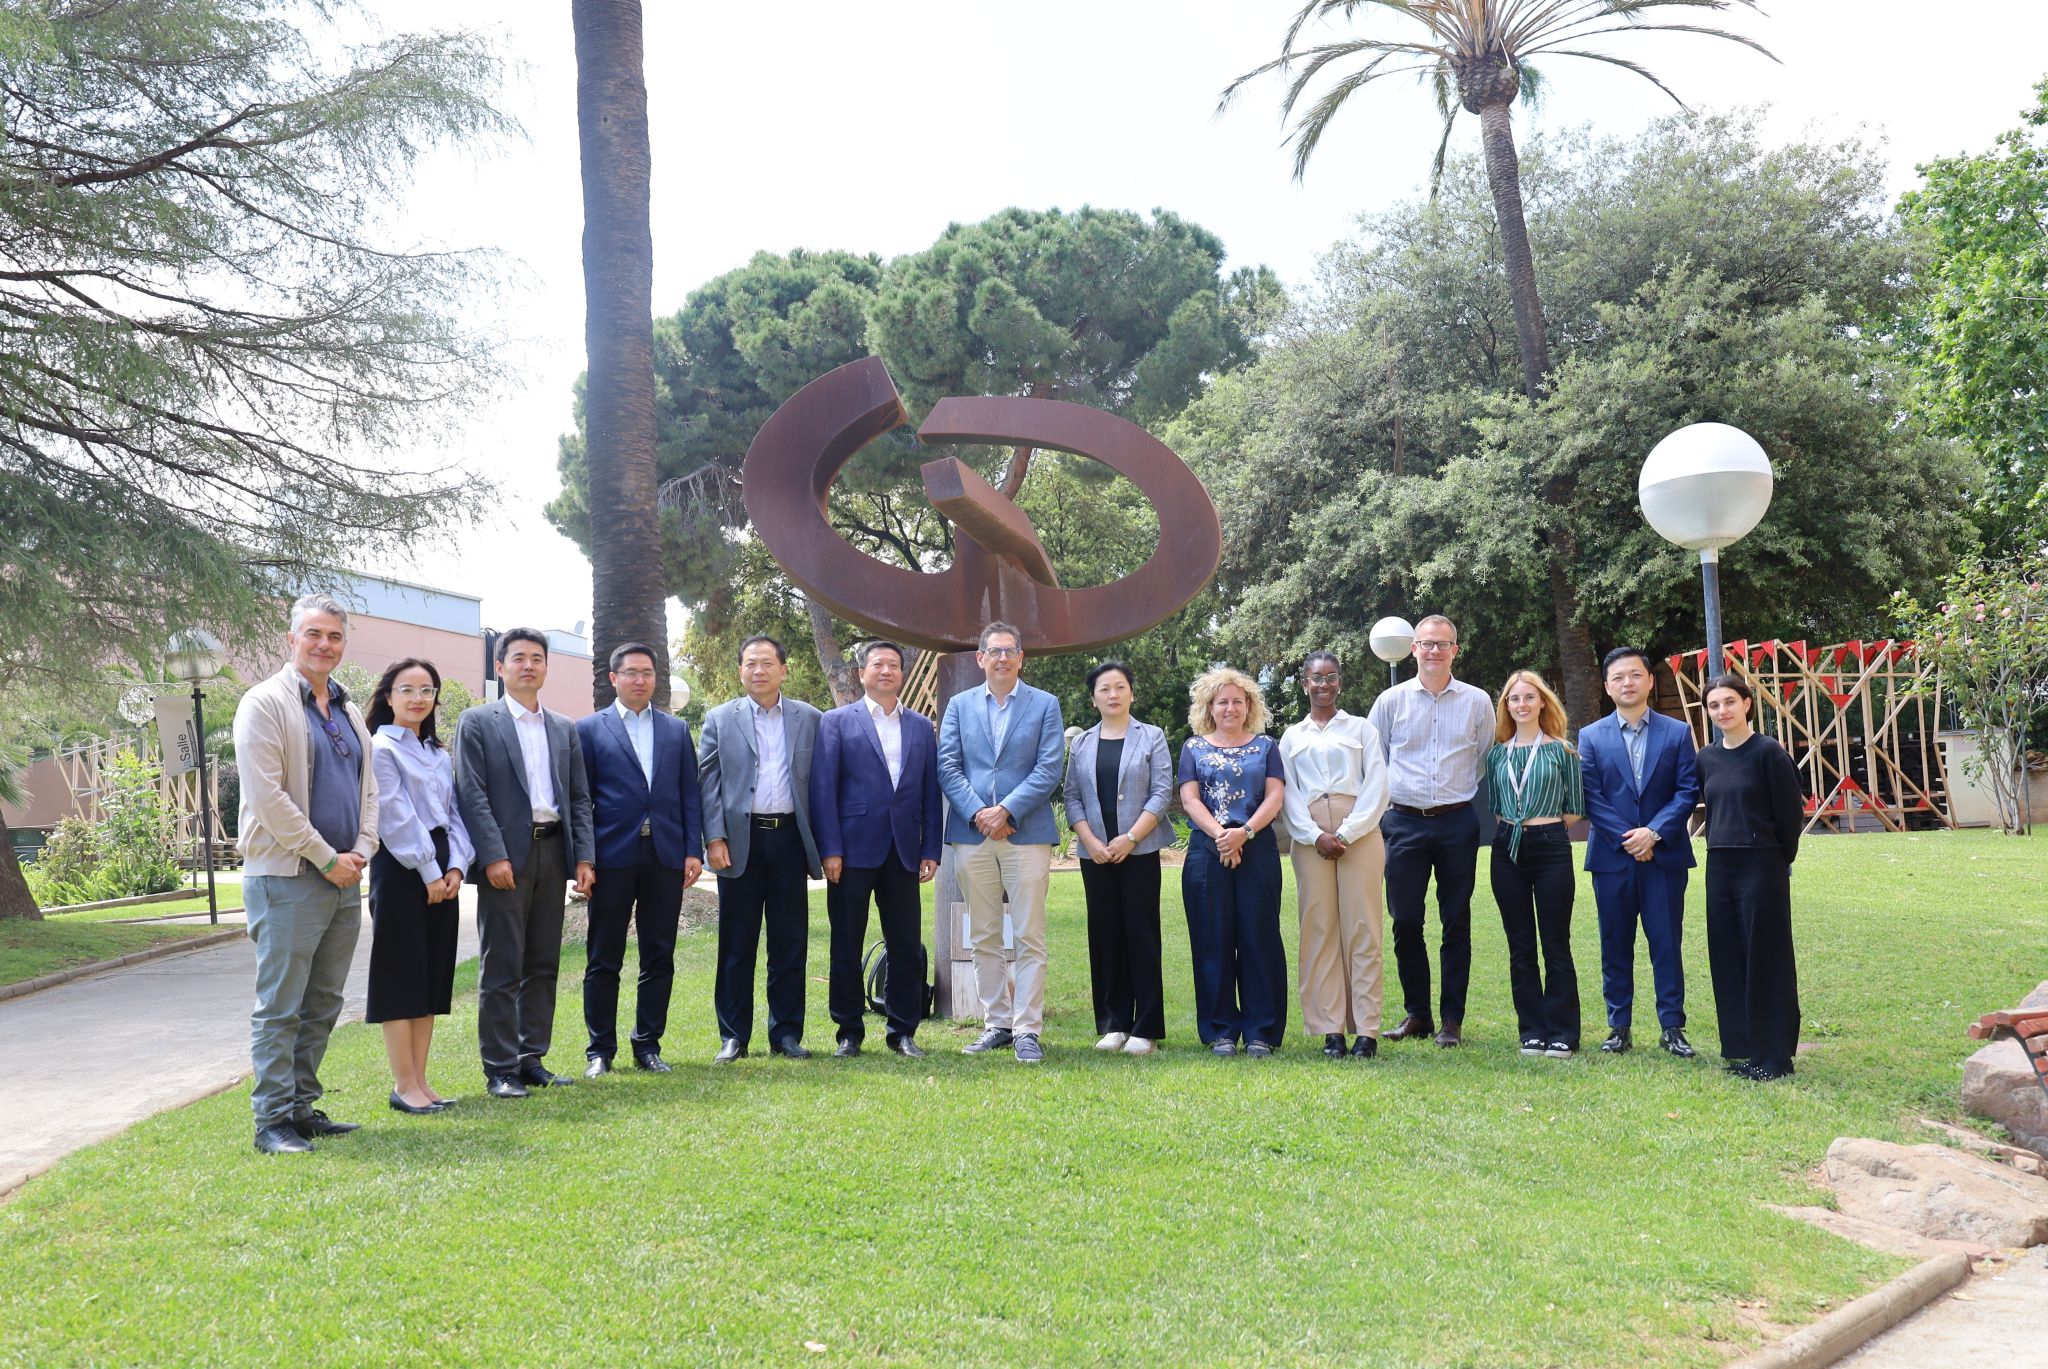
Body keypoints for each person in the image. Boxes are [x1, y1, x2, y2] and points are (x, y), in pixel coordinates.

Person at [233, 592, 379, 1154]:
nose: (324, 644)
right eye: (314, 634)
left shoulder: (348, 710)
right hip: (289, 876)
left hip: (344, 875)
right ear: (291, 639)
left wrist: (361, 849)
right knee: (281, 1005)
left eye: (335, 636)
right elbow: (268, 797)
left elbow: (370, 790)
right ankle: (271, 1121)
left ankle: (301, 1107)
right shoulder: (264, 703)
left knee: (322, 1003)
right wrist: (325, 857)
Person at [453, 627, 595, 1099]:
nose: (528, 665)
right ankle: (500, 1068)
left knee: (543, 961)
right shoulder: (478, 722)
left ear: (547, 666)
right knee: (502, 964)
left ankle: (531, 1057)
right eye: (518, 658)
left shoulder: (563, 727)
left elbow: (578, 798)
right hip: (506, 859)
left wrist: (584, 858)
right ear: (500, 667)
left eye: (537, 658)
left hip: (553, 853)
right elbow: (471, 794)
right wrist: (492, 855)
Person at [939, 621, 1066, 1064]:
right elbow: (947, 765)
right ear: (980, 658)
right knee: (984, 933)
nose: (1002, 658)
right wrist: (981, 813)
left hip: (1026, 834)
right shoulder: (958, 706)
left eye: (1010, 651)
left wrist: (1007, 811)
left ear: (1021, 658)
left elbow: (1049, 768)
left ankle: (1027, 1028)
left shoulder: (1045, 704)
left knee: (1030, 934)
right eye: (994, 651)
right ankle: (998, 1022)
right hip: (971, 833)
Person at [574, 641, 703, 1077]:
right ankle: (600, 1051)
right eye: (631, 672)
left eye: (647, 672)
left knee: (659, 954)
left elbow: (689, 794)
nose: (640, 680)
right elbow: (581, 800)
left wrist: (692, 849)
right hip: (611, 856)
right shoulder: (590, 730)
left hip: (665, 855)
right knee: (603, 956)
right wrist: (584, 858)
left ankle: (647, 1044)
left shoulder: (675, 730)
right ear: (614, 678)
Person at [1366, 613, 1494, 1047]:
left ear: (1454, 650)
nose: (1434, 650)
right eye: (1427, 643)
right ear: (1414, 649)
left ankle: (1451, 1021)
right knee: (1405, 920)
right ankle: (1417, 1014)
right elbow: (1376, 757)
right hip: (1403, 822)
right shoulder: (1390, 701)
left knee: (1456, 920)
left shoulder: (1477, 701)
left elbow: (1482, 758)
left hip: (1457, 821)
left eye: (1443, 644)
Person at [809, 640, 942, 1057]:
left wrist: (930, 848)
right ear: (861, 673)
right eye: (878, 664)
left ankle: (902, 1032)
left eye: (894, 665)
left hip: (903, 852)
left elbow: (929, 792)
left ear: (902, 673)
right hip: (850, 852)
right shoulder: (835, 722)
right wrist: (830, 848)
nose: (886, 671)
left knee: (905, 946)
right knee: (846, 945)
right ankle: (849, 1032)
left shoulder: (920, 727)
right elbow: (823, 790)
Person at [698, 635, 823, 1061]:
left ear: (783, 670)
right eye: (750, 663)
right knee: (737, 944)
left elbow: (821, 782)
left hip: (789, 840)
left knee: (789, 942)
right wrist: (714, 837)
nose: (759, 670)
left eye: (767, 662)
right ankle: (733, 1036)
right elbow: (707, 784)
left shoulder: (810, 718)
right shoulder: (720, 719)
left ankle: (785, 1034)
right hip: (739, 843)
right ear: (740, 671)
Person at [1579, 646, 1701, 1059]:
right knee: (1614, 943)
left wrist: (1653, 833)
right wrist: (1629, 839)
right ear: (1607, 687)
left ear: (1649, 680)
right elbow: (1592, 797)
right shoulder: (1591, 736)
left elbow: (1687, 790)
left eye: (1635, 675)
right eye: (1618, 677)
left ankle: (1672, 1027)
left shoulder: (1677, 732)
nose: (1627, 683)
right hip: (1612, 860)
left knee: (1666, 943)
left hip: (1664, 858)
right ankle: (1619, 1026)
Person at [365, 657, 474, 1114]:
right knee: (400, 977)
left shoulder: (438, 754)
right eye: (407, 690)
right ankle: (403, 1084)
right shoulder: (380, 748)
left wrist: (457, 868)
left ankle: (421, 1081)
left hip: (442, 866)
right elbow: (395, 816)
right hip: (401, 867)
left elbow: (454, 816)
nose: (417, 698)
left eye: (427, 690)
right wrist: (430, 872)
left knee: (431, 978)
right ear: (388, 696)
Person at [1279, 651, 1391, 1061]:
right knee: (1319, 929)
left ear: (1339, 682)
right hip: (1310, 836)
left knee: (1363, 928)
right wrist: (1314, 836)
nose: (1323, 684)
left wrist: (1345, 832)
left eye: (1330, 677)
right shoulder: (1292, 737)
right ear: (1304, 683)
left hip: (1358, 831)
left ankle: (1367, 1030)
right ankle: (1331, 1029)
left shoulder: (1362, 728)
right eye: (1316, 677)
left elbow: (1377, 785)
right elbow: (1287, 792)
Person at [1062, 660, 1173, 1055]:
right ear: (1094, 699)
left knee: (1142, 935)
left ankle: (1146, 1029)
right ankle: (1114, 1024)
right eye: (1104, 689)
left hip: (1139, 850)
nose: (1113, 694)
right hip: (1095, 855)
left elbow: (1162, 792)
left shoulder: (1151, 736)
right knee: (1105, 935)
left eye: (1120, 687)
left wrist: (1130, 837)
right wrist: (1090, 841)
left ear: (1132, 693)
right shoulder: (1082, 743)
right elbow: (1071, 795)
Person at [1698, 675, 1804, 1082]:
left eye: (1729, 701)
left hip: (1761, 864)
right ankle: (1743, 1047)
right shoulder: (1706, 758)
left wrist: (1776, 860)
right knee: (1728, 955)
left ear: (1746, 704)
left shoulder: (1768, 753)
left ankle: (1775, 1056)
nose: (1722, 710)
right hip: (1719, 864)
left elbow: (1790, 816)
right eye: (1714, 705)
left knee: (1767, 956)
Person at [1178, 666, 1289, 1057]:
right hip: (1207, 853)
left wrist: (1245, 833)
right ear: (1209, 707)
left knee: (1260, 941)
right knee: (1212, 942)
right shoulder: (1193, 748)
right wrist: (1222, 836)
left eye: (1237, 701)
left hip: (1257, 850)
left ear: (1249, 706)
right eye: (1222, 701)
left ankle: (1262, 1032)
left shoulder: (1267, 747)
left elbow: (1275, 796)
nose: (1230, 708)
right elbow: (1190, 800)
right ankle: (1221, 1031)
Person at [1485, 670, 1584, 1059]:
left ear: (1543, 702)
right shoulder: (1497, 754)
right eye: (1514, 698)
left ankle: (1562, 1031)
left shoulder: (1562, 750)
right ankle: (1531, 1029)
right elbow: (1497, 807)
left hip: (1551, 846)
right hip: (1506, 849)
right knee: (1520, 944)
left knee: (1556, 943)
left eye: (1529, 697)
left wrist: (1543, 829)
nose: (1522, 704)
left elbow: (1574, 808)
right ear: (1506, 706)